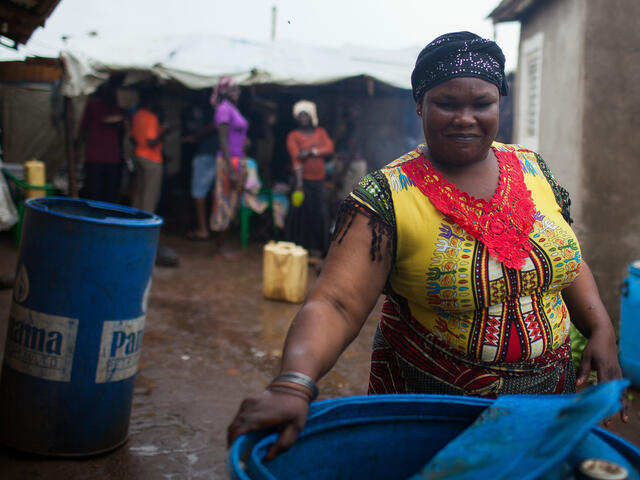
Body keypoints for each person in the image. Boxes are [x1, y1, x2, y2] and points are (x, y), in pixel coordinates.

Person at [228, 31, 627, 459]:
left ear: (501, 104)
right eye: (447, 103)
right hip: (436, 411)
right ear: (419, 104)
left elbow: (565, 259)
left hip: (549, 403)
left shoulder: (532, 168)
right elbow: (336, 303)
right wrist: (293, 383)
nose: (465, 118)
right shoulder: (387, 196)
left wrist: (600, 329)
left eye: (482, 104)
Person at [284, 100, 335, 260]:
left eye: (306, 115)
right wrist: (299, 184)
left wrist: (311, 152)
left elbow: (330, 148)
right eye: (300, 115)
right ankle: (300, 250)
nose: (303, 118)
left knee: (320, 214)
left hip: (319, 181)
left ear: (312, 116)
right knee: (301, 215)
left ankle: (321, 249)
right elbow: (296, 158)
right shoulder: (293, 136)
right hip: (302, 182)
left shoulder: (320, 132)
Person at [209, 77, 248, 258]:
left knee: (231, 201)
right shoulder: (224, 109)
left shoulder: (233, 109)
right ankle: (220, 247)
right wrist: (231, 169)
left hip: (236, 160)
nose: (237, 92)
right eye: (232, 89)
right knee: (223, 200)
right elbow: (223, 139)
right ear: (223, 91)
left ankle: (223, 245)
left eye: (238, 89)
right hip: (228, 161)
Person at [76, 79, 126, 203]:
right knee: (95, 191)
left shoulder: (117, 108)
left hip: (112, 157)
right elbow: (84, 127)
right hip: (95, 156)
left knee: (110, 191)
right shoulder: (93, 105)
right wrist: (78, 144)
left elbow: (122, 133)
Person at [182, 94, 219, 240]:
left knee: (199, 192)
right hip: (215, 154)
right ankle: (212, 227)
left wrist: (196, 137)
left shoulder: (214, 111)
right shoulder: (219, 109)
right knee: (212, 192)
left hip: (206, 154)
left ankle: (203, 229)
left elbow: (212, 126)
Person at [130, 89, 169, 213]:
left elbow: (132, 137)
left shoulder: (137, 115)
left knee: (140, 190)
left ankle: (134, 218)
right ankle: (146, 221)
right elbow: (151, 142)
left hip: (138, 154)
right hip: (151, 158)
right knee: (150, 193)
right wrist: (163, 133)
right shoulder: (151, 117)